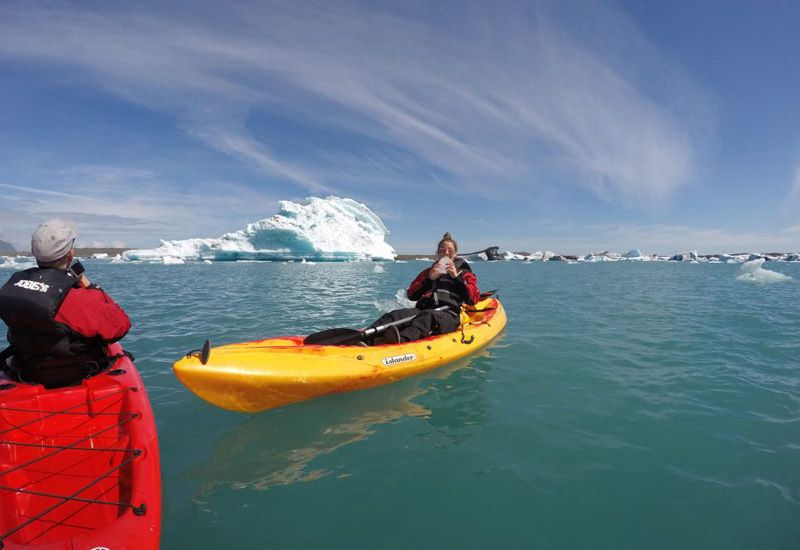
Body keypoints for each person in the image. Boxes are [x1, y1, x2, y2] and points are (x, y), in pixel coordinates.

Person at [0, 219, 131, 388]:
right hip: (73, 375)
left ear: (35, 253)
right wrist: (89, 286)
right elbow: (120, 325)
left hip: (24, 371)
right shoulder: (79, 299)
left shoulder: (13, 287)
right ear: (70, 255)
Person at [370, 232, 480, 344]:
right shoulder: (428, 272)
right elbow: (411, 295)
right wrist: (429, 279)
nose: (446, 253)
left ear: (455, 254)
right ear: (438, 253)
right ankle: (364, 337)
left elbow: (473, 299)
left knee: (428, 317)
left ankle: (401, 341)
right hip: (423, 310)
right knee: (396, 315)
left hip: (449, 314)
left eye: (450, 251)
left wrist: (456, 278)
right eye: (442, 250)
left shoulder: (464, 274)